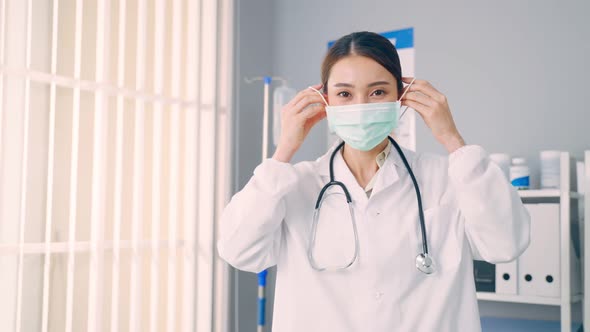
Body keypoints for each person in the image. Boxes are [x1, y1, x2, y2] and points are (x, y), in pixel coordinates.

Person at [217, 31, 530, 332]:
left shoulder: (448, 178)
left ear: (402, 96)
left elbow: (505, 245)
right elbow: (239, 250)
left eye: (378, 91)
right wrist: (284, 151)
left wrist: (451, 139)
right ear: (325, 101)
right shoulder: (295, 184)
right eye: (344, 94)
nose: (362, 105)